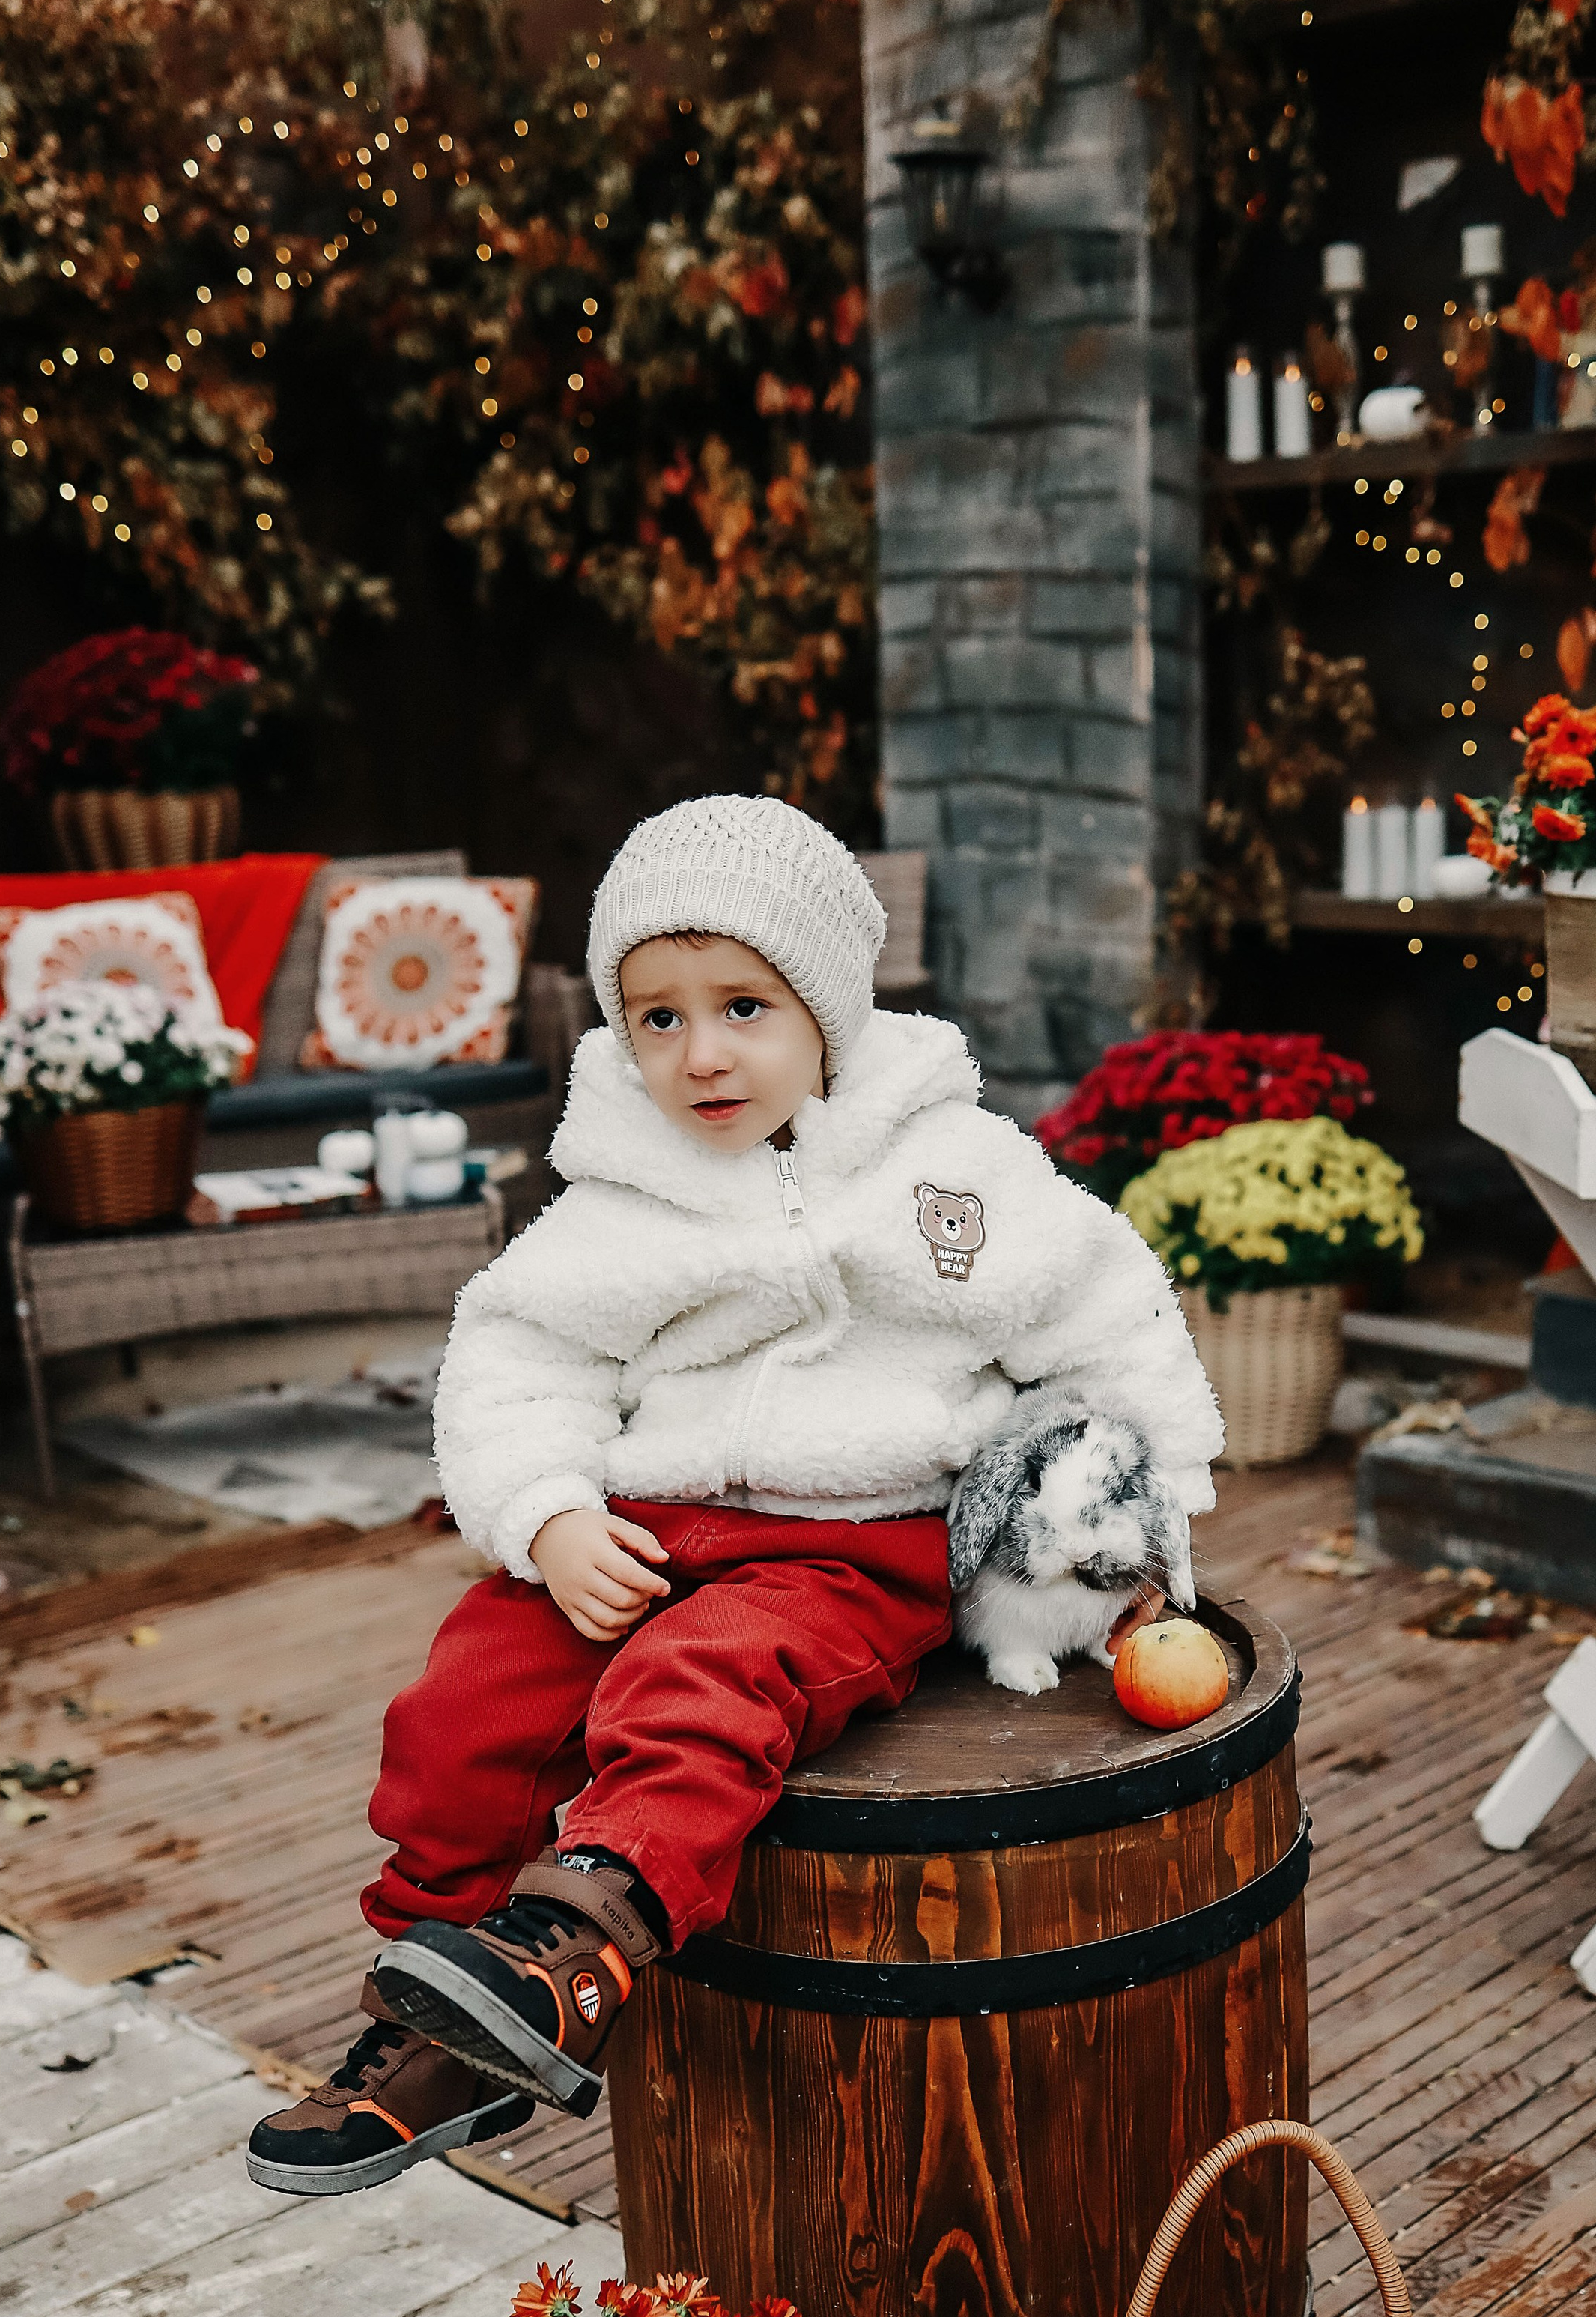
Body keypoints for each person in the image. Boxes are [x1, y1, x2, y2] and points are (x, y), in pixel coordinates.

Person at [247, 794, 1221, 2193]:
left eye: (743, 1006)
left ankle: (579, 1949)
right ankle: (441, 2012)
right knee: (468, 1699)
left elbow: (1103, 1308)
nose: (699, 1054)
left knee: (702, 1681)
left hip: (849, 1545)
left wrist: (1155, 1501)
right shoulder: (617, 1198)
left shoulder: (949, 1174)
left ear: (825, 1005)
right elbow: (514, 1358)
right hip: (646, 1529)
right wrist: (548, 1514)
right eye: (656, 1017)